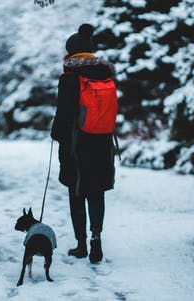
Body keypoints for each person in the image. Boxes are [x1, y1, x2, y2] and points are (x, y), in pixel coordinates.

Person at [51, 23, 116, 264]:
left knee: (76, 191)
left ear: (71, 53)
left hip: (76, 143)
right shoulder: (105, 74)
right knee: (96, 191)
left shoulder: (70, 77)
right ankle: (96, 237)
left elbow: (64, 114)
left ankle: (81, 245)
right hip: (102, 142)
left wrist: (56, 134)